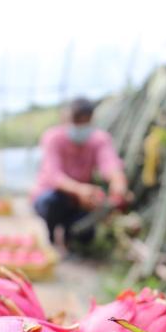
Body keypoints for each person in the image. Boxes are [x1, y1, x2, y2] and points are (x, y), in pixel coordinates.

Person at [31, 97, 128, 251]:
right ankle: (51, 237)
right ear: (66, 119)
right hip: (53, 195)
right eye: (76, 121)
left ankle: (70, 239)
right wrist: (80, 189)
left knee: (86, 234)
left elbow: (110, 164)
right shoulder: (53, 138)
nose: (80, 126)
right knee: (52, 203)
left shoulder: (99, 140)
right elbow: (54, 176)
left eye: (85, 121)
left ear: (91, 119)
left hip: (79, 202)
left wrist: (118, 183)